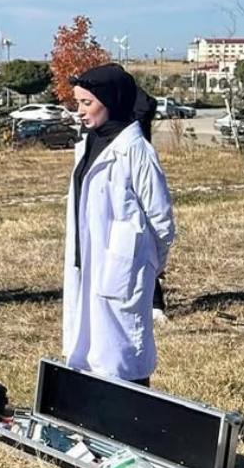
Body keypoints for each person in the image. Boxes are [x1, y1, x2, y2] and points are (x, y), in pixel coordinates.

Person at [64, 63, 175, 387]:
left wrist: (152, 262)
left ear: (111, 100)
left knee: (123, 350)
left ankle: (134, 415)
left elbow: (161, 218)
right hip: (89, 260)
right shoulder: (89, 144)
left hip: (123, 266)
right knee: (91, 344)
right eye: (78, 104)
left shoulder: (136, 150)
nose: (80, 112)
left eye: (87, 103)